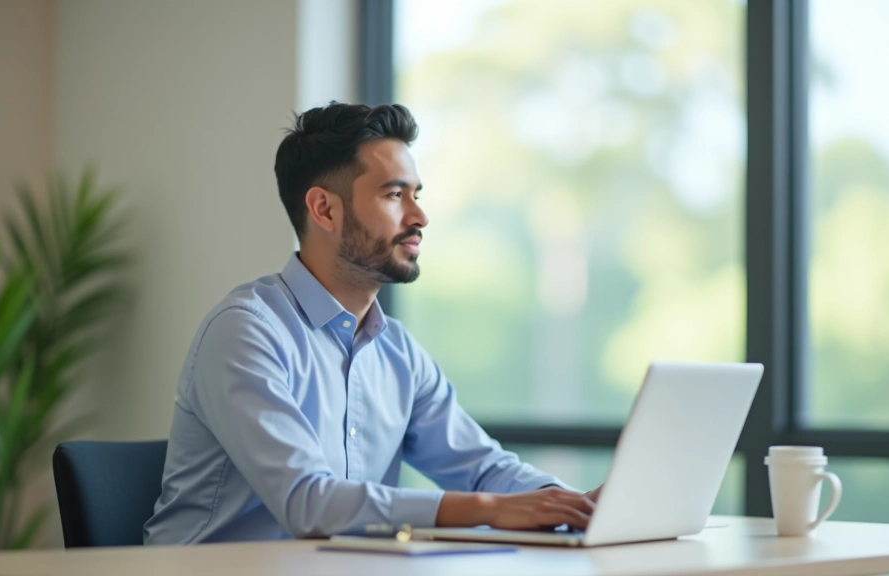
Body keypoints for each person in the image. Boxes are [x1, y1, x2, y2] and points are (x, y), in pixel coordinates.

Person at [143, 102, 599, 545]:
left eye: (416, 195)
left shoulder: (397, 352)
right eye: (395, 194)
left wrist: (573, 504)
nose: (419, 216)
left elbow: (481, 466)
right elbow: (309, 502)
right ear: (323, 209)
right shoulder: (245, 332)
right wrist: (489, 508)